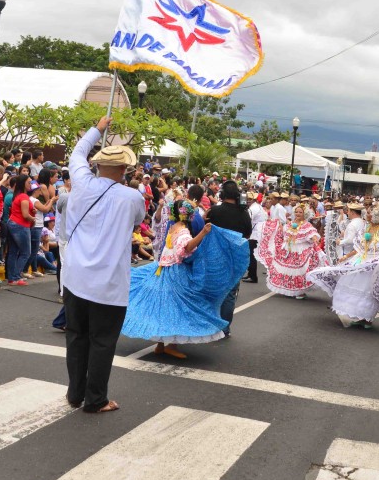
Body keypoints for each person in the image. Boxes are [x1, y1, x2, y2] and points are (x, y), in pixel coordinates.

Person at [61, 116, 146, 414]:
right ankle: (95, 398)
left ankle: (75, 393)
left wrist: (98, 129)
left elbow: (77, 153)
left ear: (97, 165)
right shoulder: (132, 197)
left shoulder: (81, 183)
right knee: (102, 341)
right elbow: (138, 221)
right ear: (124, 170)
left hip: (75, 276)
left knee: (76, 337)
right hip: (109, 284)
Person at [123, 200, 247, 357]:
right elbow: (185, 249)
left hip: (163, 269)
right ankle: (171, 345)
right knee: (178, 307)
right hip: (175, 272)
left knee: (164, 306)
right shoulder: (183, 231)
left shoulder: (173, 226)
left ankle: (161, 344)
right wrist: (203, 233)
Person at [309, 203, 379, 328]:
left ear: (375, 215)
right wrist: (346, 256)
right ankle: (360, 316)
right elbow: (359, 249)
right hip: (359, 261)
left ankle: (368, 319)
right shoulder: (365, 229)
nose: (366, 214)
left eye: (369, 213)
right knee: (351, 284)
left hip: (372, 265)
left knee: (368, 290)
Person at [206, 180, 252, 335]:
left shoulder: (214, 211)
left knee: (213, 290)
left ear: (222, 194)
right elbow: (247, 234)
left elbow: (205, 229)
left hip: (215, 256)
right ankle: (224, 328)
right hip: (234, 258)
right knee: (230, 294)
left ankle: (209, 324)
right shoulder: (244, 213)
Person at [256, 202, 323, 299]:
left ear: (304, 214)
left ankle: (299, 292)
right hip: (288, 250)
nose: (298, 214)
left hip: (300, 251)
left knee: (299, 271)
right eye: (296, 212)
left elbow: (311, 233)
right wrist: (277, 227)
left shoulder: (306, 225)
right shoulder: (290, 224)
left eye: (300, 212)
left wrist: (315, 238)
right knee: (287, 270)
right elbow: (284, 233)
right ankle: (289, 289)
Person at [243, 191, 266, 283]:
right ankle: (251, 274)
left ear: (253, 200)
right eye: (247, 199)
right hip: (255, 233)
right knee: (251, 255)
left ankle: (252, 276)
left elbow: (247, 220)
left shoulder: (253, 208)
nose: (248, 201)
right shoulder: (257, 207)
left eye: (250, 199)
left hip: (254, 234)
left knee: (251, 255)